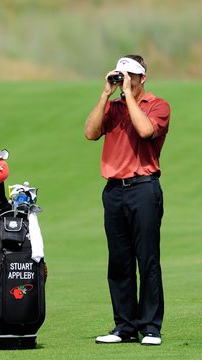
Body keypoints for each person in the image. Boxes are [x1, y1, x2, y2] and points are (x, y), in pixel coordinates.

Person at [84, 55, 170, 346]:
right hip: (114, 191)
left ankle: (150, 328)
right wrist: (106, 95)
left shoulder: (158, 105)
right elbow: (90, 133)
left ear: (142, 78)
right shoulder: (113, 106)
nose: (125, 81)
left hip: (144, 189)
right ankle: (124, 327)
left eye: (130, 76)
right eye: (122, 75)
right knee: (119, 261)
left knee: (147, 260)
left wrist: (129, 97)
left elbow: (145, 131)